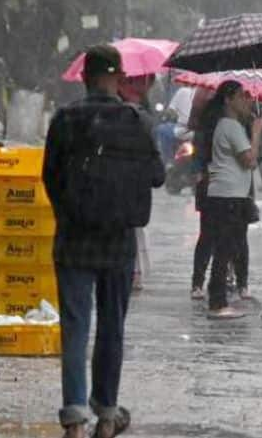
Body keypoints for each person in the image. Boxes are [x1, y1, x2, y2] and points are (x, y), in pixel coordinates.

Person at [42, 44, 165, 438]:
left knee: (75, 327)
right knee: (112, 326)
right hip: (118, 242)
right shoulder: (139, 121)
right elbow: (158, 177)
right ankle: (108, 415)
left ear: (84, 76)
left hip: (74, 240)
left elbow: (51, 177)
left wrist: (69, 213)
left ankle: (75, 419)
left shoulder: (64, 119)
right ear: (120, 77)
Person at [201, 80, 262, 318]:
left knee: (226, 248)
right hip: (229, 195)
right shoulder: (231, 126)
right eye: (241, 96)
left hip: (227, 194)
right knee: (225, 249)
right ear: (228, 100)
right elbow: (249, 160)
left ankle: (218, 297)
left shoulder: (227, 125)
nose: (246, 100)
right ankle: (217, 302)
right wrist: (256, 133)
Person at [119, 74, 157, 293]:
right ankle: (131, 272)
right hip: (128, 188)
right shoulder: (130, 115)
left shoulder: (144, 110)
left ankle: (134, 272)